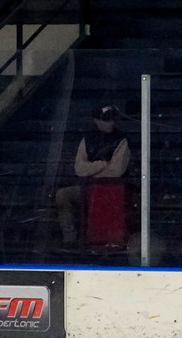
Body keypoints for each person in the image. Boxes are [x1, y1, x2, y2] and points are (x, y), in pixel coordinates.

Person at [55, 105, 131, 247]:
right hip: (88, 188)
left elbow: (116, 171)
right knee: (62, 195)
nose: (111, 123)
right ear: (96, 120)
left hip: (113, 191)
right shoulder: (87, 138)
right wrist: (101, 164)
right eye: (106, 119)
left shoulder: (121, 140)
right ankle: (70, 239)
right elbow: (79, 168)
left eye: (112, 119)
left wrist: (90, 170)